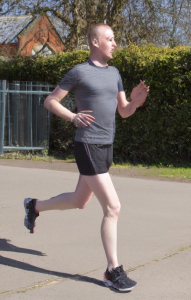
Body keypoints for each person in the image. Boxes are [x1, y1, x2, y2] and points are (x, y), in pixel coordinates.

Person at [23, 23, 149, 292]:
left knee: (79, 201)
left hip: (106, 146)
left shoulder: (115, 73)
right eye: (110, 39)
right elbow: (50, 101)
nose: (115, 43)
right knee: (113, 207)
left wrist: (135, 102)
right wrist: (73, 116)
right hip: (87, 145)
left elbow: (124, 111)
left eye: (115, 39)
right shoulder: (79, 72)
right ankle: (112, 271)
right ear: (94, 42)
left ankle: (34, 206)